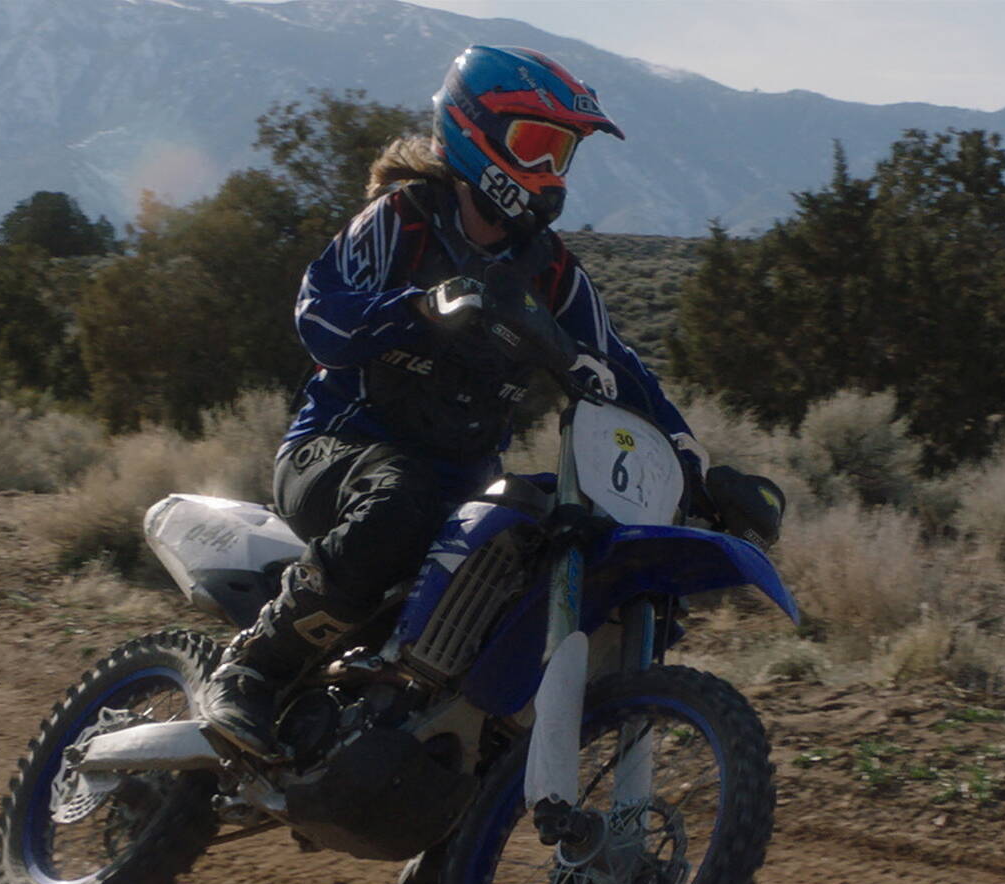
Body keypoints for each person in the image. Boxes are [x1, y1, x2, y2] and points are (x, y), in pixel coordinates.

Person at [198, 43, 714, 761]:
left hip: (461, 485)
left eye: (561, 155)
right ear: (475, 130)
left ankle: (443, 828)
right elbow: (320, 318)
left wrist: (693, 460)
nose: (547, 173)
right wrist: (421, 306)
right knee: (400, 499)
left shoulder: (553, 274)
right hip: (341, 447)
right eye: (534, 144)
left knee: (526, 563)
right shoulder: (403, 219)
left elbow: (621, 370)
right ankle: (253, 667)